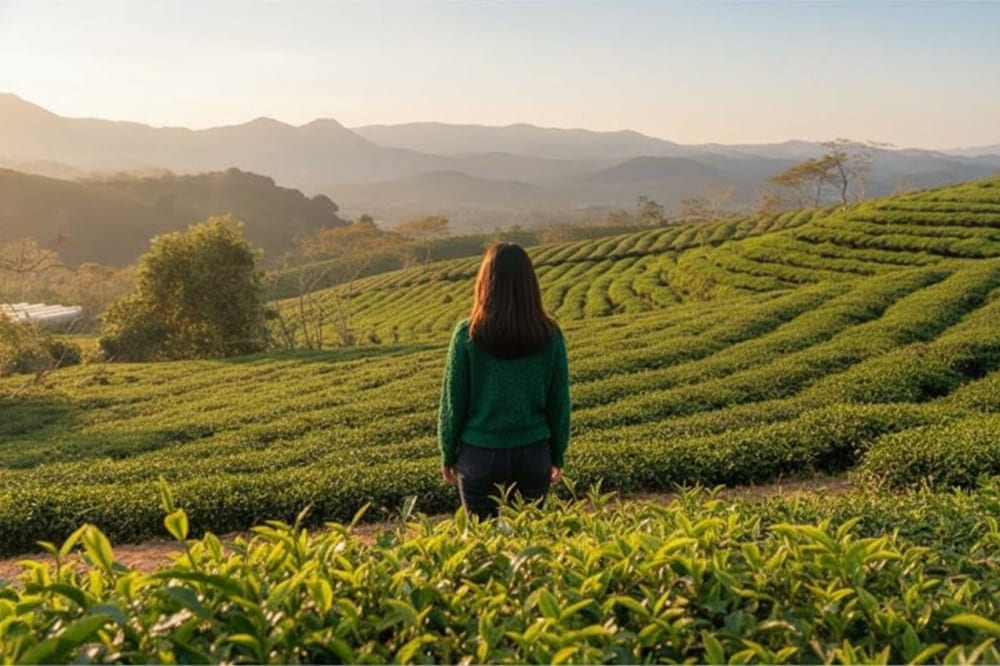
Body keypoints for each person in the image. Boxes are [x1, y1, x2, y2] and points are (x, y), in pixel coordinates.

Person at [437, 242, 570, 520]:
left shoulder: (467, 334)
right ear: (529, 284)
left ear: (485, 282)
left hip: (479, 456)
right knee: (529, 542)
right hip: (533, 454)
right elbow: (559, 402)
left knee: (483, 547)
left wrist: (447, 453)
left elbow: (453, 403)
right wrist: (557, 454)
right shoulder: (549, 334)